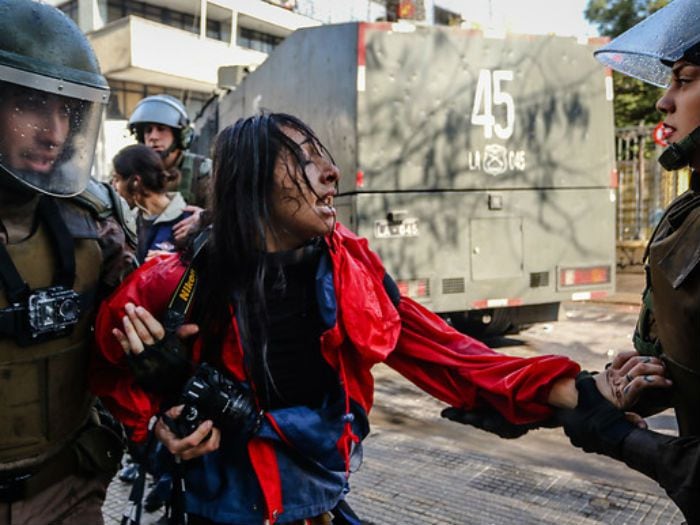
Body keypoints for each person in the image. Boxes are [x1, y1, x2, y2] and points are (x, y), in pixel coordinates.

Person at [90, 112, 665, 525]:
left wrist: (585, 392)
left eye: (324, 158)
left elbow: (452, 356)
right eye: (305, 160)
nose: (330, 173)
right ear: (251, 180)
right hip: (220, 510)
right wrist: (157, 416)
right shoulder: (179, 279)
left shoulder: (346, 268)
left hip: (318, 503)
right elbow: (102, 366)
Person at [553, 1, 700, 522]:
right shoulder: (689, 213)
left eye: (685, 80)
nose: (664, 102)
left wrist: (617, 438)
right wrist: (596, 392)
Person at [0, 1, 137, 523]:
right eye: (31, 105)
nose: (54, 132)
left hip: (67, 494)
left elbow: (137, 343)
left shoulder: (99, 221)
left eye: (67, 111)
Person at [128, 94, 212, 242]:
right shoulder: (132, 172)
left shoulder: (202, 170)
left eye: (161, 129)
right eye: (148, 130)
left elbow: (227, 215)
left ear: (179, 135)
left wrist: (204, 218)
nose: (153, 137)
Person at [111, 144, 192, 263]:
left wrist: (175, 265)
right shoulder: (127, 223)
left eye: (117, 179)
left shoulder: (189, 222)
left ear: (135, 182)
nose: (114, 186)